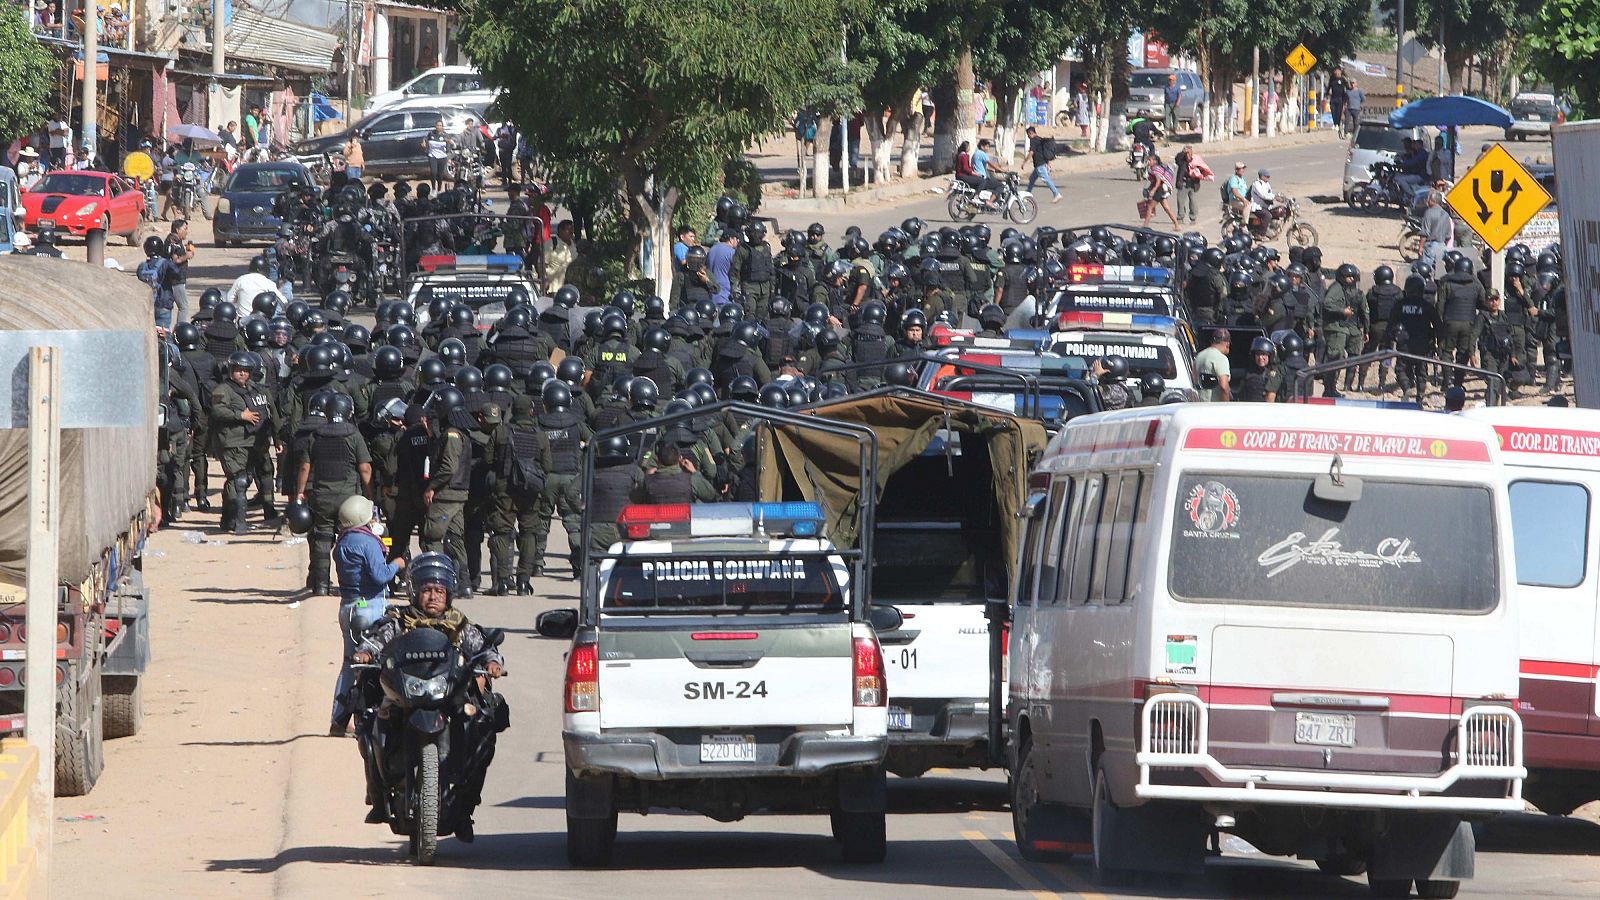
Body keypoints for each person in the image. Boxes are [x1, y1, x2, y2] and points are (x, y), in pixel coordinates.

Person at [350, 552, 505, 837]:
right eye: (426, 591)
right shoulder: (399, 620)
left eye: (439, 591)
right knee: (371, 724)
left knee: (483, 730)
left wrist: (492, 663)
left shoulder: (460, 625)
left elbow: (483, 649)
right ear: (414, 592)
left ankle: (466, 806)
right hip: (405, 691)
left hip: (447, 694)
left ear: (449, 595)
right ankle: (378, 797)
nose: (433, 597)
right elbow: (375, 640)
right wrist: (364, 652)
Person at [330, 495, 403, 736]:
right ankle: (368, 722)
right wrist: (397, 564)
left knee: (349, 665)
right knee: (374, 665)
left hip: (347, 608)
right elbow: (380, 576)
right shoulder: (368, 543)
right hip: (369, 608)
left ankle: (338, 720)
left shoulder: (342, 542)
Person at [1141, 152, 1179, 230]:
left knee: (1150, 207)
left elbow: (1158, 181)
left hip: (1160, 190)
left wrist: (1153, 190)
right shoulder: (1153, 168)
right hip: (1162, 190)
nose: (1148, 161)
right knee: (1166, 208)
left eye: (1150, 160)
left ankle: (1145, 225)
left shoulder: (1155, 168)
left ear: (1155, 161)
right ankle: (1177, 225)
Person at [1023, 126, 1061, 203]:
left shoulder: (1033, 140)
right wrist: (1048, 162)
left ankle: (1056, 194)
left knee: (1046, 179)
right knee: (1032, 179)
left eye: (1028, 134)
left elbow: (1031, 152)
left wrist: (1024, 162)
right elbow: (1044, 152)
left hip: (1039, 165)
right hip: (1041, 164)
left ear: (1031, 133)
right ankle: (1027, 195)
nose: (1028, 136)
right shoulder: (1040, 139)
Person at [1419, 191, 1452, 275]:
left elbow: (1424, 233)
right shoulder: (1446, 214)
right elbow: (1448, 235)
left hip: (1430, 246)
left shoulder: (1428, 212)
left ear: (1433, 201)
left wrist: (1420, 247)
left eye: (1429, 199)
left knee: (1425, 271)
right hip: (1442, 246)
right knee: (1439, 274)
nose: (1427, 201)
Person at [1172, 145, 1205, 226]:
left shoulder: (1196, 160)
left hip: (1193, 184)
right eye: (1187, 152)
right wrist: (1183, 153)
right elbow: (1177, 159)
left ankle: (1193, 218)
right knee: (1180, 201)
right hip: (1183, 182)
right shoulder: (1182, 161)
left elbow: (1203, 169)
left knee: (1193, 201)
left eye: (1189, 151)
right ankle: (1180, 217)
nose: (1188, 154)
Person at [1195, 328, 1232, 402]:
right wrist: (1226, 407)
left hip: (1199, 406)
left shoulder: (1199, 356)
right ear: (1227, 343)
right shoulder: (1221, 358)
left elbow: (1194, 379)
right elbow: (1224, 387)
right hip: (1214, 408)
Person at [422, 120, 451, 191]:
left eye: (440, 125)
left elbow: (449, 145)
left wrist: (449, 143)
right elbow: (425, 140)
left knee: (440, 174)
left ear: (442, 127)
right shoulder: (431, 134)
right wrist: (424, 144)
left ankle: (439, 188)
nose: (439, 127)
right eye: (437, 125)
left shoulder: (445, 135)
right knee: (433, 172)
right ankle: (433, 188)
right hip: (432, 155)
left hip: (442, 156)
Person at [1247, 169, 1275, 234]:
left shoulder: (1267, 184)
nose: (1269, 178)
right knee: (1268, 216)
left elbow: (1269, 193)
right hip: (1257, 207)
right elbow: (1263, 195)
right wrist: (1274, 196)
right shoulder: (1257, 184)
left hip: (1265, 206)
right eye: (1267, 176)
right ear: (1262, 177)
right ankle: (1261, 234)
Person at [1329, 67, 1350, 136]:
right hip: (1333, 98)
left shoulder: (1343, 80)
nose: (1337, 73)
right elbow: (1329, 87)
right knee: (1333, 111)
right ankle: (1335, 123)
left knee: (1338, 112)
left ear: (1340, 72)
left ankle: (1337, 124)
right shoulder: (1332, 79)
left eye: (1338, 71)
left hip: (1340, 98)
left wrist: (1345, 100)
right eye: (1336, 71)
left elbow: (1347, 88)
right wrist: (1326, 94)